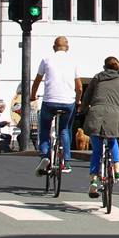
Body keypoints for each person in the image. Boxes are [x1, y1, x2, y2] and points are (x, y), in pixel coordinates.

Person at [79, 57, 119, 199]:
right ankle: (117, 169)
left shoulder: (97, 78)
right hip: (115, 115)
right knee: (112, 141)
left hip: (97, 114)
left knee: (96, 150)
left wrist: (83, 109)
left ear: (104, 67)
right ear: (118, 67)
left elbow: (87, 96)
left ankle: (94, 180)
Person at [31, 36, 82, 174]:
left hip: (50, 101)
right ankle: (66, 162)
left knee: (45, 128)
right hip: (68, 102)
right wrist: (77, 101)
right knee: (65, 130)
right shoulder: (73, 62)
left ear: (54, 47)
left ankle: (44, 155)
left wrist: (32, 95)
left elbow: (37, 81)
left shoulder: (46, 59)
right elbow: (79, 87)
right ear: (68, 48)